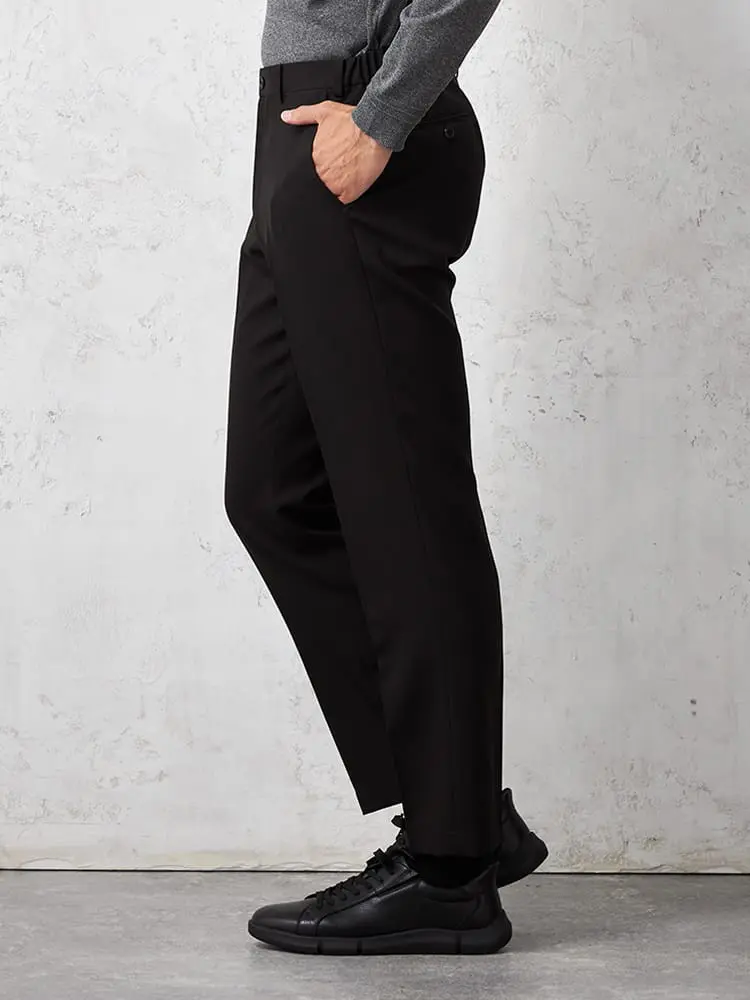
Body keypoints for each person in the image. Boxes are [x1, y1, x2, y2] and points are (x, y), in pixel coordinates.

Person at [223, 0, 548, 955]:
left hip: (367, 128)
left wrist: (382, 116)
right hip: (301, 137)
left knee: (408, 509)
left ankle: (450, 871)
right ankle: (461, 806)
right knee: (273, 492)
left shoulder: (376, 122)